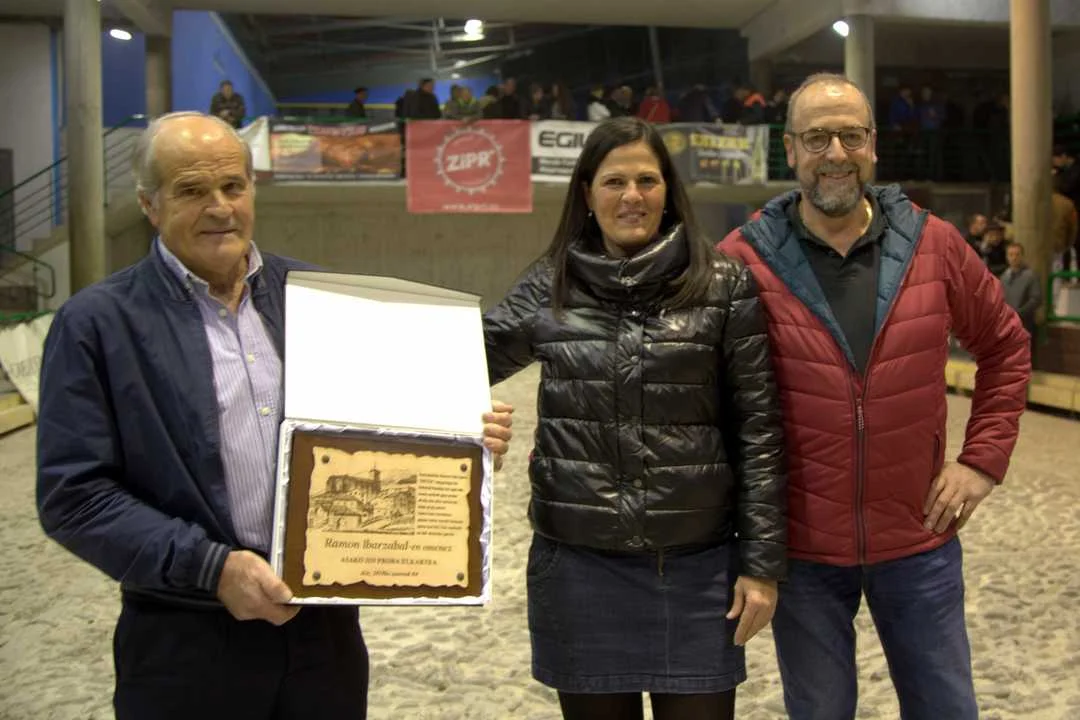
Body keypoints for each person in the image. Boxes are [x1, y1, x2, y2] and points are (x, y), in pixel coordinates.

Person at [35, 111, 515, 720]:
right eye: (191, 190)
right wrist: (212, 569)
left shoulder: (320, 299)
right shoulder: (96, 325)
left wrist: (461, 441)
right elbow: (74, 498)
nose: (219, 207)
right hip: (185, 637)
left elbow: (384, 432)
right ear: (148, 205)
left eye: (232, 186)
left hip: (324, 635)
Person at [719, 73, 1031, 720]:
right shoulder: (743, 260)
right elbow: (696, 387)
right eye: (817, 138)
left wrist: (981, 462)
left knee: (947, 708)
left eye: (851, 136)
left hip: (919, 540)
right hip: (803, 553)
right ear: (790, 149)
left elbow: (1005, 347)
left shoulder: (935, 244)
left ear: (873, 144)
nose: (836, 153)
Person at [483, 116, 787, 720]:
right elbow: (460, 362)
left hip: (696, 571)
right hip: (578, 569)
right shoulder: (549, 284)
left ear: (668, 190)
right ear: (587, 193)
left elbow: (759, 431)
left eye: (647, 180)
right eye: (614, 181)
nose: (632, 196)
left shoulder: (723, 285)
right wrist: (468, 427)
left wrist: (761, 565)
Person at [1000, 243, 1042, 358]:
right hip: (1007, 326)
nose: (1014, 257)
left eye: (1017, 254)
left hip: (1025, 325)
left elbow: (1036, 299)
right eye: (1011, 254)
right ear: (1007, 257)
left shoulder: (1031, 276)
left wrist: (1019, 313)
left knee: (1024, 358)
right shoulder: (1004, 277)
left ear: (1022, 256)